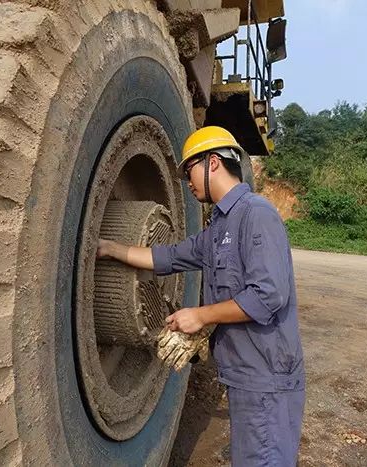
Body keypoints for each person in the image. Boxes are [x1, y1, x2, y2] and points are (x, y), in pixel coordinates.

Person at [97, 126, 304, 466]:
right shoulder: (219, 227)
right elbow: (168, 256)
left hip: (266, 378)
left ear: (212, 163)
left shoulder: (257, 214)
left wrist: (201, 316)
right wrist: (110, 248)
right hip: (243, 374)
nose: (186, 182)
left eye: (189, 170)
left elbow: (269, 295)